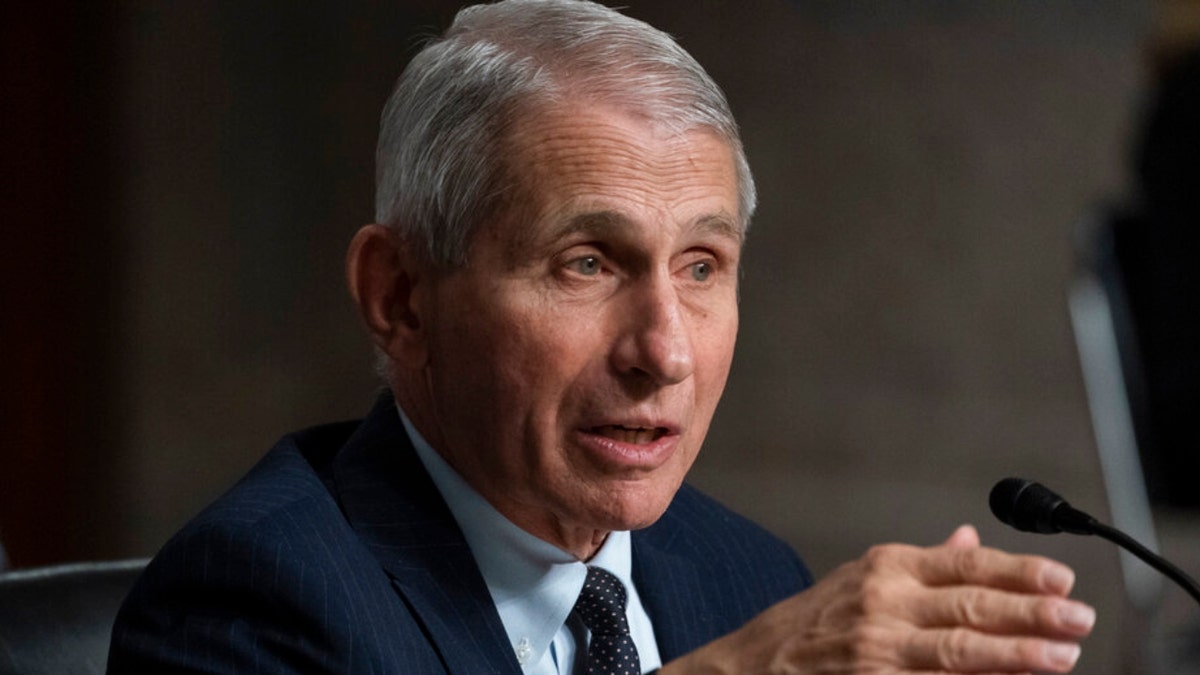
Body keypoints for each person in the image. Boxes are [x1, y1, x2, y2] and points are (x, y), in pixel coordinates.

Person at [108, 1, 1095, 672]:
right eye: (587, 263)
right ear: (400, 297)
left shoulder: (747, 576)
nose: (663, 351)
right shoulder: (249, 601)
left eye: (701, 267)